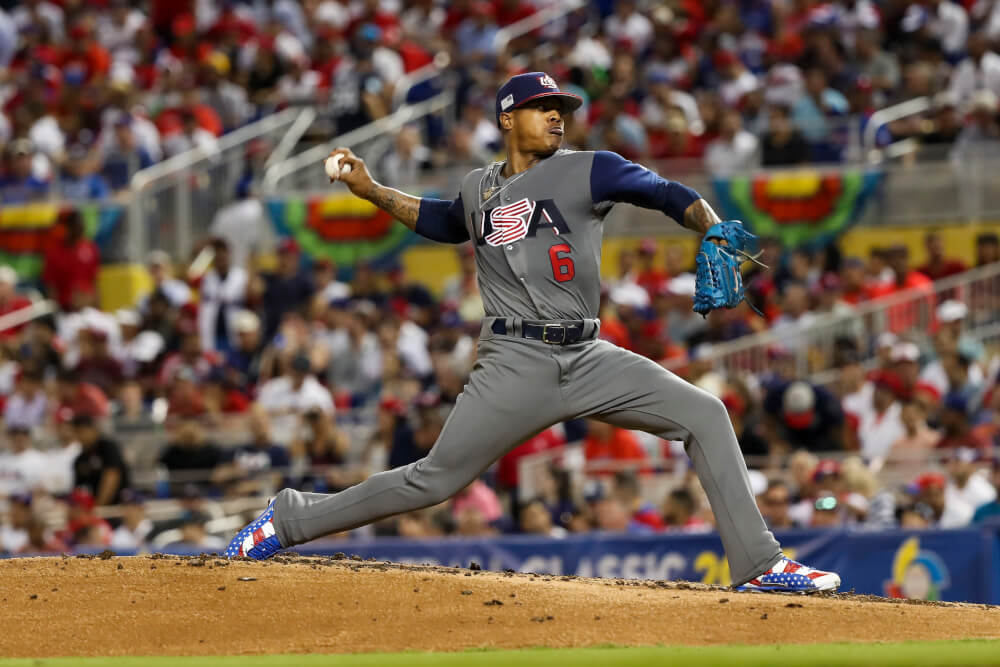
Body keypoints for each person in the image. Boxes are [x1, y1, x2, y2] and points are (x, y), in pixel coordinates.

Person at [228, 71, 840, 593]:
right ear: (507, 118)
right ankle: (285, 521)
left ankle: (759, 564)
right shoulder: (477, 188)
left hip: (589, 353)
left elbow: (661, 191)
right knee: (435, 479)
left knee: (705, 414)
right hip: (514, 359)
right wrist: (371, 190)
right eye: (543, 109)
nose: (557, 118)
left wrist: (707, 225)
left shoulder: (589, 170)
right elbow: (443, 221)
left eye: (562, 110)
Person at [71, 414, 130, 506]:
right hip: (94, 509)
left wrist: (99, 508)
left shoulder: (108, 447)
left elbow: (112, 477)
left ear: (93, 429)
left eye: (82, 431)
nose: (80, 436)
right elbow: (78, 490)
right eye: (76, 432)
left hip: (119, 506)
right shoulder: (80, 459)